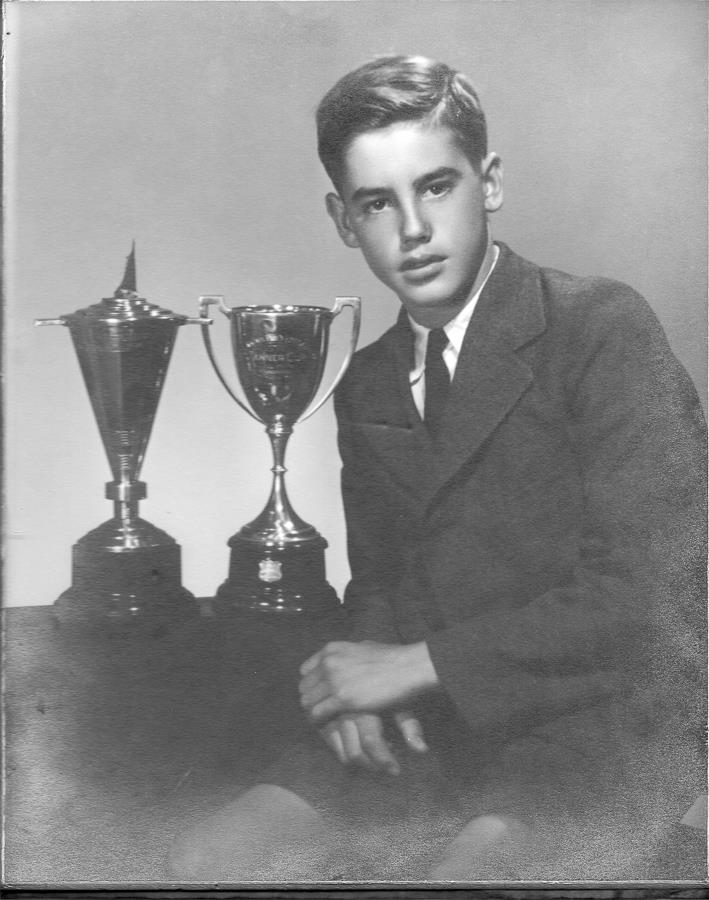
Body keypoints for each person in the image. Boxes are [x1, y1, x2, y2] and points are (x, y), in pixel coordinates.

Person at [170, 55, 706, 882]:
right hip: (435, 724)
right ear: (342, 219)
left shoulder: (600, 327)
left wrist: (409, 665)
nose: (411, 229)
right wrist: (361, 674)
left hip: (602, 726)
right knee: (203, 861)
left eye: (436, 187)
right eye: (376, 202)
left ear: (487, 182)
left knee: (457, 881)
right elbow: (384, 578)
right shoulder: (367, 382)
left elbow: (653, 593)